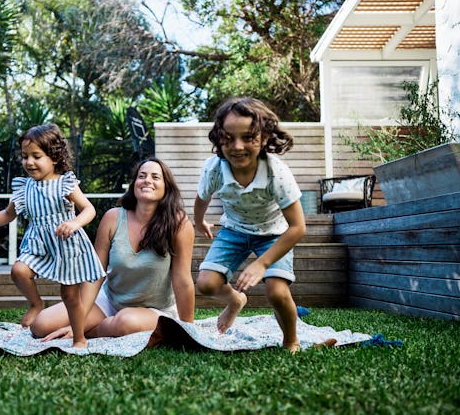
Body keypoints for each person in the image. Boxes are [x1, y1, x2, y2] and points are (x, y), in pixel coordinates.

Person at [0, 124, 106, 348]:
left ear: (55, 158)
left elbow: (89, 209)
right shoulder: (24, 188)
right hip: (37, 244)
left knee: (70, 297)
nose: (29, 162)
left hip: (65, 245)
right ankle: (36, 304)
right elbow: (8, 214)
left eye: (36, 156)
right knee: (19, 270)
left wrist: (74, 222)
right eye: (25, 156)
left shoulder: (65, 183)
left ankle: (79, 339)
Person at [31, 157, 195, 340]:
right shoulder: (113, 218)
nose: (147, 180)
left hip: (154, 309)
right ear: (134, 184)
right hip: (110, 301)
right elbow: (96, 274)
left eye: (155, 177)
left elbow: (183, 280)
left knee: (125, 322)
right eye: (142, 176)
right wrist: (78, 321)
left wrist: (188, 329)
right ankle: (96, 327)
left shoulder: (179, 223)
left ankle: (94, 332)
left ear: (166, 187)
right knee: (41, 325)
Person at [194, 97, 306, 352]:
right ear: (218, 138)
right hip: (233, 230)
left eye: (248, 137)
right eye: (228, 138)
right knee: (206, 284)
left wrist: (262, 263)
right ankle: (235, 301)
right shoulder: (214, 168)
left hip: (273, 235)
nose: (237, 146)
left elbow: (298, 227)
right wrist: (199, 221)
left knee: (276, 292)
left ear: (264, 137)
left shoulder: (276, 172)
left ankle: (290, 340)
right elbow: (202, 198)